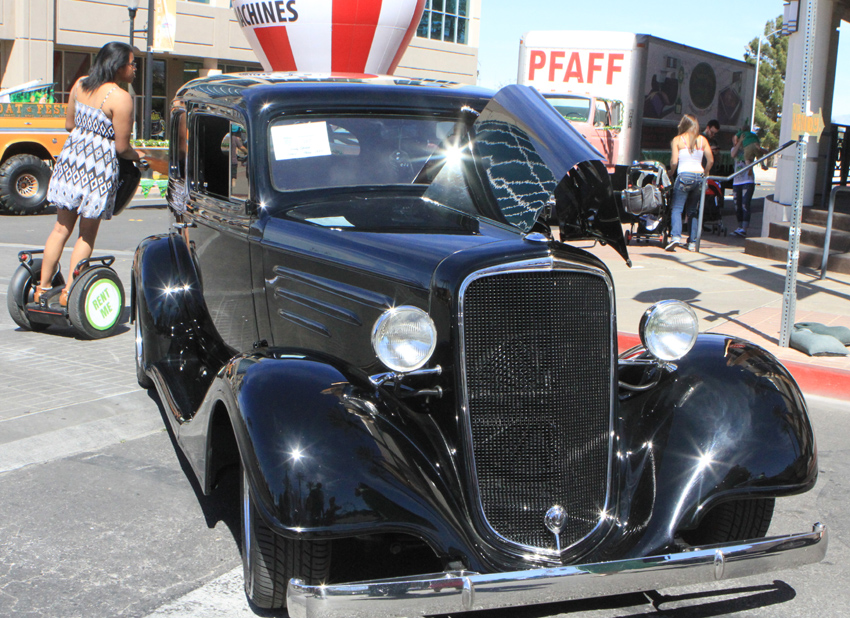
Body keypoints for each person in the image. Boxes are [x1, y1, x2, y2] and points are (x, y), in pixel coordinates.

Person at [34, 42, 141, 307]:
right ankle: (69, 293)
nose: (135, 69)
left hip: (70, 162)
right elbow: (122, 147)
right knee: (86, 233)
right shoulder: (121, 98)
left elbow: (69, 124)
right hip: (97, 168)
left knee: (60, 229)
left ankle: (41, 287)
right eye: (132, 63)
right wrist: (139, 156)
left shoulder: (80, 85)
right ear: (118, 66)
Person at [667, 114, 713, 251]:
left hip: (684, 175)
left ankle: (676, 237)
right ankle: (692, 242)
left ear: (683, 124)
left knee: (677, 208)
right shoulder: (703, 140)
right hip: (699, 176)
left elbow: (674, 162)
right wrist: (706, 172)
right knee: (693, 210)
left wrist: (671, 172)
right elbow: (710, 160)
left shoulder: (677, 139)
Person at [730, 127, 763, 237]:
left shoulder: (749, 148)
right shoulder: (734, 149)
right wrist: (738, 143)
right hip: (737, 181)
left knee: (745, 204)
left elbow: (759, 151)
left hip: (747, 180)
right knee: (737, 205)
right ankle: (739, 226)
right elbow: (733, 154)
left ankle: (744, 228)